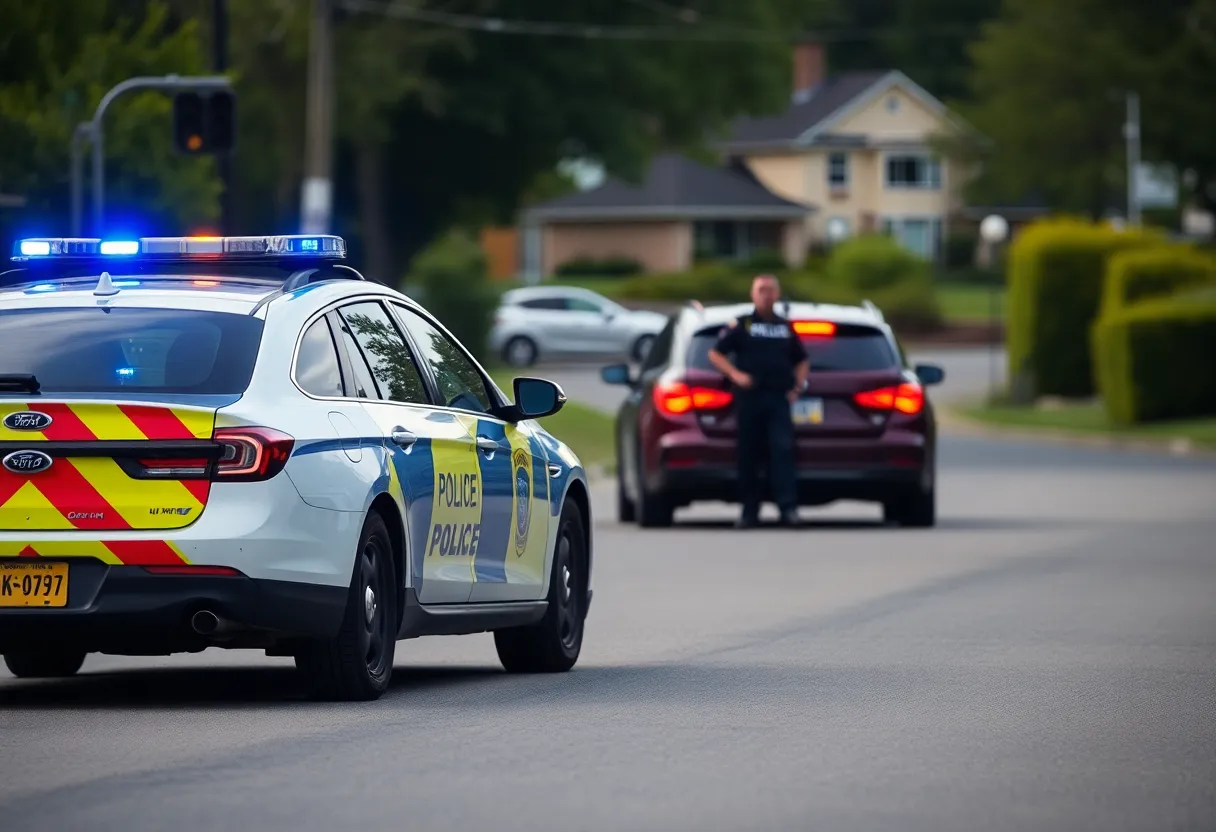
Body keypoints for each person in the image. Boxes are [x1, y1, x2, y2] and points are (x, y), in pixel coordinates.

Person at [706, 274, 810, 529]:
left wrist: (798, 386)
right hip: (750, 399)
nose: (766, 295)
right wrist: (735, 375)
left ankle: (788, 509)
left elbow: (802, 359)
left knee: (782, 452)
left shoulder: (785, 327)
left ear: (777, 294)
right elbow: (715, 353)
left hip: (778, 398)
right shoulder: (743, 324)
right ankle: (749, 511)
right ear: (753, 294)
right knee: (749, 454)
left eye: (770, 290)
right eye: (761, 290)